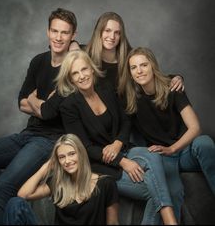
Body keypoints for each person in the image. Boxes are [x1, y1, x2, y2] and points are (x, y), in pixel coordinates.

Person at [0, 8, 77, 224]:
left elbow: (48, 112)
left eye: (65, 33)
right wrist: (39, 104)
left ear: (73, 36)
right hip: (27, 134)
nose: (58, 37)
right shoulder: (38, 61)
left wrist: (35, 102)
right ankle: (9, 187)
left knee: (4, 187)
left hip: (49, 141)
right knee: (1, 180)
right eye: (54, 31)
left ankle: (7, 188)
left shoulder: (73, 68)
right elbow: (21, 102)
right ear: (48, 32)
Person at [57, 50, 178, 225]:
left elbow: (125, 120)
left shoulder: (105, 89)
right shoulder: (68, 107)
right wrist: (121, 161)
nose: (82, 76)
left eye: (84, 69)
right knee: (157, 190)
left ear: (91, 69)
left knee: (153, 156)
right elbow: (85, 148)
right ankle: (171, 222)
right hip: (100, 167)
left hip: (124, 148)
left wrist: (117, 143)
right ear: (70, 79)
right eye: (75, 73)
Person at [118, 46, 215, 223]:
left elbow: (195, 127)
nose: (139, 71)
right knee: (173, 192)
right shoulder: (130, 99)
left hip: (186, 150)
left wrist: (173, 148)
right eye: (134, 67)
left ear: (152, 66)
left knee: (205, 143)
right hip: (163, 157)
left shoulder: (172, 85)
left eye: (144, 65)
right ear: (130, 72)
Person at [3, 133, 119, 225]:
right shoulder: (58, 184)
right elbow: (23, 195)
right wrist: (45, 167)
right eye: (62, 157)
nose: (67, 161)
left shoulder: (106, 183)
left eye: (72, 154)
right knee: (15, 203)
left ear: (81, 154)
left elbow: (112, 223)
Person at [84, 11, 184, 92]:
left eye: (117, 33)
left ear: (121, 36)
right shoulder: (85, 54)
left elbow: (152, 75)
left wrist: (177, 78)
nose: (112, 37)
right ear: (99, 32)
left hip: (129, 113)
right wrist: (73, 44)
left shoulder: (130, 56)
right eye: (107, 30)